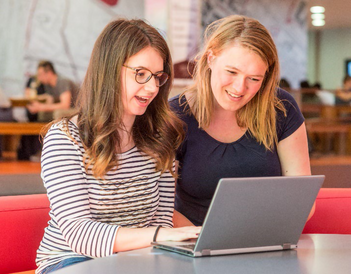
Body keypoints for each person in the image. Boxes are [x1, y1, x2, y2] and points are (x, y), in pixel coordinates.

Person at [36, 18, 200, 274]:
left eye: (158, 77)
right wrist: (161, 236)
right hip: (69, 260)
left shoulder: (160, 138)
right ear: (109, 69)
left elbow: (160, 219)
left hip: (136, 261)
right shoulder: (65, 138)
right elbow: (80, 235)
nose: (152, 87)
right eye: (141, 74)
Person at [170, 15, 311, 226]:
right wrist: (201, 242)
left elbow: (303, 198)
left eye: (254, 79)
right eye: (231, 72)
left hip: (266, 239)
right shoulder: (175, 115)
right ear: (210, 58)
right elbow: (160, 207)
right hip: (192, 243)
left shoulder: (282, 108)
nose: (239, 88)